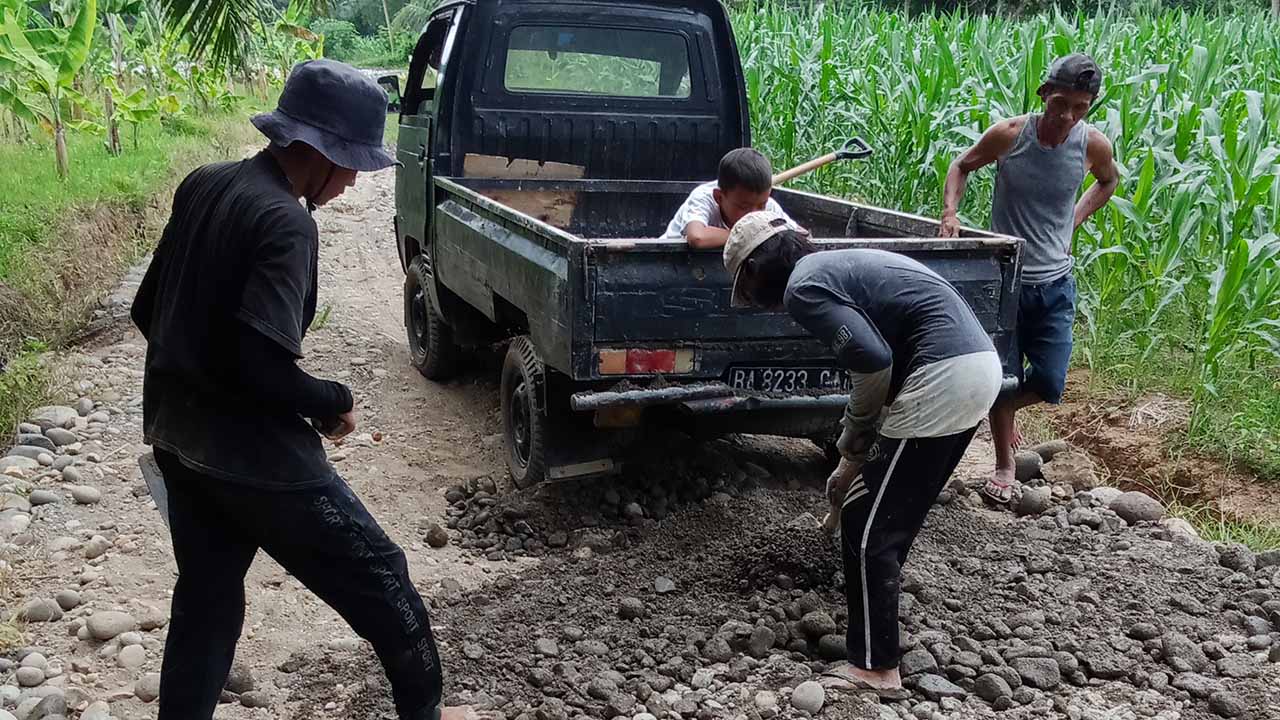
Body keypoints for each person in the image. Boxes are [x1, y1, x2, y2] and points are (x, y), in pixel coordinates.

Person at [131, 59, 471, 720]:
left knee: (207, 601)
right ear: (316, 152)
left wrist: (208, 374)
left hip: (177, 438)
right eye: (349, 165)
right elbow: (263, 370)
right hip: (249, 457)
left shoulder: (204, 184)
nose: (350, 182)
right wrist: (330, 399)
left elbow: (149, 311)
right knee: (387, 586)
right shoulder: (287, 223)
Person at [724, 210, 1003, 698]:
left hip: (943, 378)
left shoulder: (803, 287)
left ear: (754, 269)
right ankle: (878, 639)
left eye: (745, 286)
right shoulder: (838, 267)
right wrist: (851, 464)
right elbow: (886, 361)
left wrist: (852, 434)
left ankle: (875, 667)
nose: (754, 301)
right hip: (975, 369)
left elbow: (873, 362)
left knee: (868, 525)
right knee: (883, 512)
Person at [939, 53, 1118, 504]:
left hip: (1055, 281)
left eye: (1080, 107)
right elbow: (961, 165)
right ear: (1043, 95)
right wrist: (951, 213)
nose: (1067, 116)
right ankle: (1003, 463)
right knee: (1004, 374)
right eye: (1060, 103)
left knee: (1050, 381)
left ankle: (1001, 407)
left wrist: (1074, 220)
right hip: (1006, 280)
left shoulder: (1092, 145)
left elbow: (1108, 182)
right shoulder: (1010, 136)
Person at [661, 147, 795, 248]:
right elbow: (697, 237)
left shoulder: (765, 205)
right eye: (744, 207)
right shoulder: (703, 197)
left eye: (762, 205)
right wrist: (751, 234)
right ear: (718, 197)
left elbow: (796, 234)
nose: (755, 215)